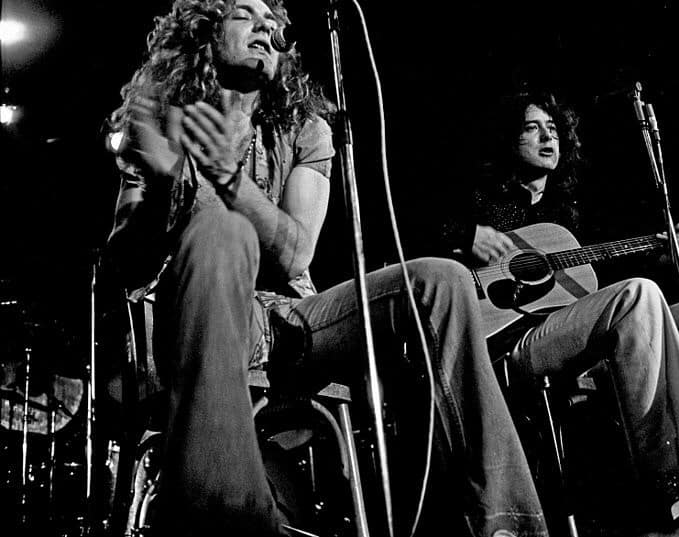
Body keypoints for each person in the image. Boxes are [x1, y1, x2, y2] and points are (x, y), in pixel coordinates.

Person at [102, 1, 549, 536]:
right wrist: (167, 183)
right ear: (204, 30)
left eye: (274, 19)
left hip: (292, 318)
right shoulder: (163, 116)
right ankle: (232, 514)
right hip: (200, 316)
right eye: (246, 13)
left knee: (441, 280)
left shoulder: (304, 126)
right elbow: (121, 262)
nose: (267, 25)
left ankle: (509, 522)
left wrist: (227, 179)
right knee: (224, 233)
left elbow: (296, 255)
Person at [431, 88, 679, 534]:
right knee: (637, 296)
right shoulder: (479, 196)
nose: (547, 138)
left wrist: (659, 259)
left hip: (569, 336)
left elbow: (601, 289)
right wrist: (465, 232)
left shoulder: (571, 215)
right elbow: (408, 222)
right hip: (508, 344)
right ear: (508, 139)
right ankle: (661, 491)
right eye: (532, 128)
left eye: (553, 129)